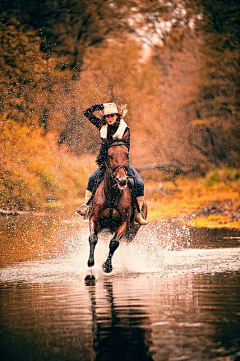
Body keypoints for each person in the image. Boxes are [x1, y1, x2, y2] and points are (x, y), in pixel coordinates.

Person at [77, 102, 147, 225]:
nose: (110, 119)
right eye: (107, 116)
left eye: (112, 116)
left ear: (117, 116)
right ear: (104, 117)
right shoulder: (101, 126)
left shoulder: (125, 128)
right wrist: (101, 106)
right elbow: (86, 112)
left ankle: (137, 213)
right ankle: (87, 208)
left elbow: (126, 150)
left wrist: (120, 163)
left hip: (121, 164)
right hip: (106, 165)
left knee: (139, 183)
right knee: (92, 178)